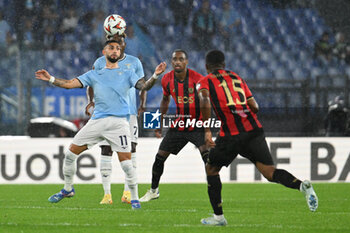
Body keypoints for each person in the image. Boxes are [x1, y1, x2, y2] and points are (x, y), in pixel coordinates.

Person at [35, 40, 166, 209]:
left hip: (119, 123)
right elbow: (69, 84)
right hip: (96, 122)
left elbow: (144, 87)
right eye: (111, 48)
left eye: (118, 48)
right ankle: (68, 189)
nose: (115, 51)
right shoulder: (94, 74)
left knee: (127, 164)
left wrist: (155, 75)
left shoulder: (128, 73)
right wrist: (51, 79)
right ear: (104, 51)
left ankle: (134, 199)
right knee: (69, 155)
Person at [197, 50, 318, 226]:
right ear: (224, 64)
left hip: (231, 133)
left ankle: (219, 218)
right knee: (270, 172)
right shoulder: (238, 78)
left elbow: (204, 100)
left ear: (207, 66)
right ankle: (301, 186)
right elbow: (255, 106)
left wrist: (207, 130)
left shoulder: (204, 81)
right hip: (254, 131)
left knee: (211, 170)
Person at [85, 33, 148, 205]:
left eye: (119, 43)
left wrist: (142, 104)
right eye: (112, 43)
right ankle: (107, 194)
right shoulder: (99, 62)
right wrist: (91, 102)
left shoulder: (134, 62)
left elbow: (143, 85)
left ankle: (127, 192)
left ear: (124, 45)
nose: (116, 46)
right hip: (106, 112)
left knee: (131, 149)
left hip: (129, 112)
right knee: (106, 150)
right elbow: (91, 83)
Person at [139, 49, 210, 202]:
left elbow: (207, 103)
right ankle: (153, 191)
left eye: (181, 59)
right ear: (172, 62)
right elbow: (165, 100)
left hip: (197, 124)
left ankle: (214, 191)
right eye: (175, 59)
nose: (177, 62)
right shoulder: (167, 79)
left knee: (208, 159)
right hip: (179, 124)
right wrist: (160, 123)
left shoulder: (198, 79)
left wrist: (207, 127)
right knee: (159, 157)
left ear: (186, 62)